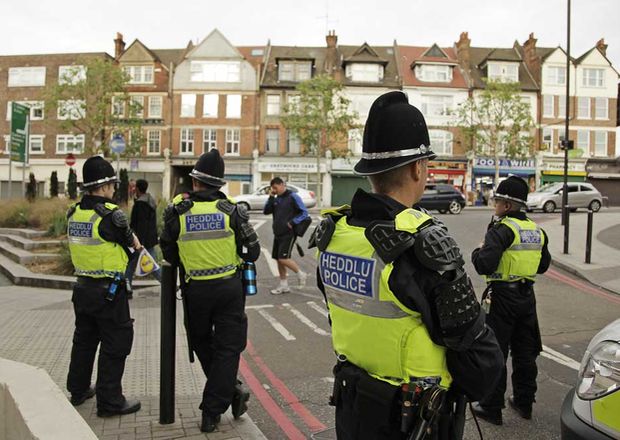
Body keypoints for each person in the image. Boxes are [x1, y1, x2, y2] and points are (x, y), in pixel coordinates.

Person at [312, 91, 503, 440]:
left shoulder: (332, 235)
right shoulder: (421, 245)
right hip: (414, 422)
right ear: (418, 167)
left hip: (352, 411)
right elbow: (482, 368)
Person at [160, 149, 260, 433]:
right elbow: (253, 252)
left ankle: (224, 394)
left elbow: (168, 250)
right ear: (220, 184)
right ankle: (213, 409)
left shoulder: (177, 210)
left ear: (195, 182)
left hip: (195, 290)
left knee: (203, 343)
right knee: (228, 349)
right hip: (229, 289)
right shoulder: (233, 211)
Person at [470, 176, 551, 425]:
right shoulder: (537, 231)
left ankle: (491, 407)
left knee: (497, 351)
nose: (494, 205)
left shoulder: (502, 229)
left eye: (497, 201)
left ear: (506, 206)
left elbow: (485, 264)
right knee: (525, 352)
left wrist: (477, 251)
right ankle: (524, 403)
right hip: (527, 296)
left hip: (503, 297)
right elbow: (543, 265)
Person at [66, 156, 142, 417]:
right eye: (111, 184)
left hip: (82, 288)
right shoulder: (111, 215)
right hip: (109, 291)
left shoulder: (75, 212)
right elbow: (134, 247)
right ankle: (110, 402)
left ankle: (77, 390)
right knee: (115, 343)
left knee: (84, 341)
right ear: (105, 187)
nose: (113, 189)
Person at [263, 177, 309, 294]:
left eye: (275, 188)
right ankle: (284, 285)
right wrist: (271, 197)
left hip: (289, 233)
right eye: (272, 188)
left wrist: (292, 222)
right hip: (277, 233)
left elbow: (304, 212)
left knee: (283, 258)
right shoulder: (276, 198)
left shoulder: (293, 196)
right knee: (278, 260)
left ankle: (301, 273)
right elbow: (266, 211)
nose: (274, 190)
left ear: (283, 185)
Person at [125, 179, 161, 295]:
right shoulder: (150, 201)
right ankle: (127, 288)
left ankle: (127, 289)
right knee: (150, 265)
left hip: (141, 241)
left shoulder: (141, 204)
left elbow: (140, 225)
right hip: (149, 239)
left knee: (135, 266)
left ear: (138, 189)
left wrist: (138, 244)